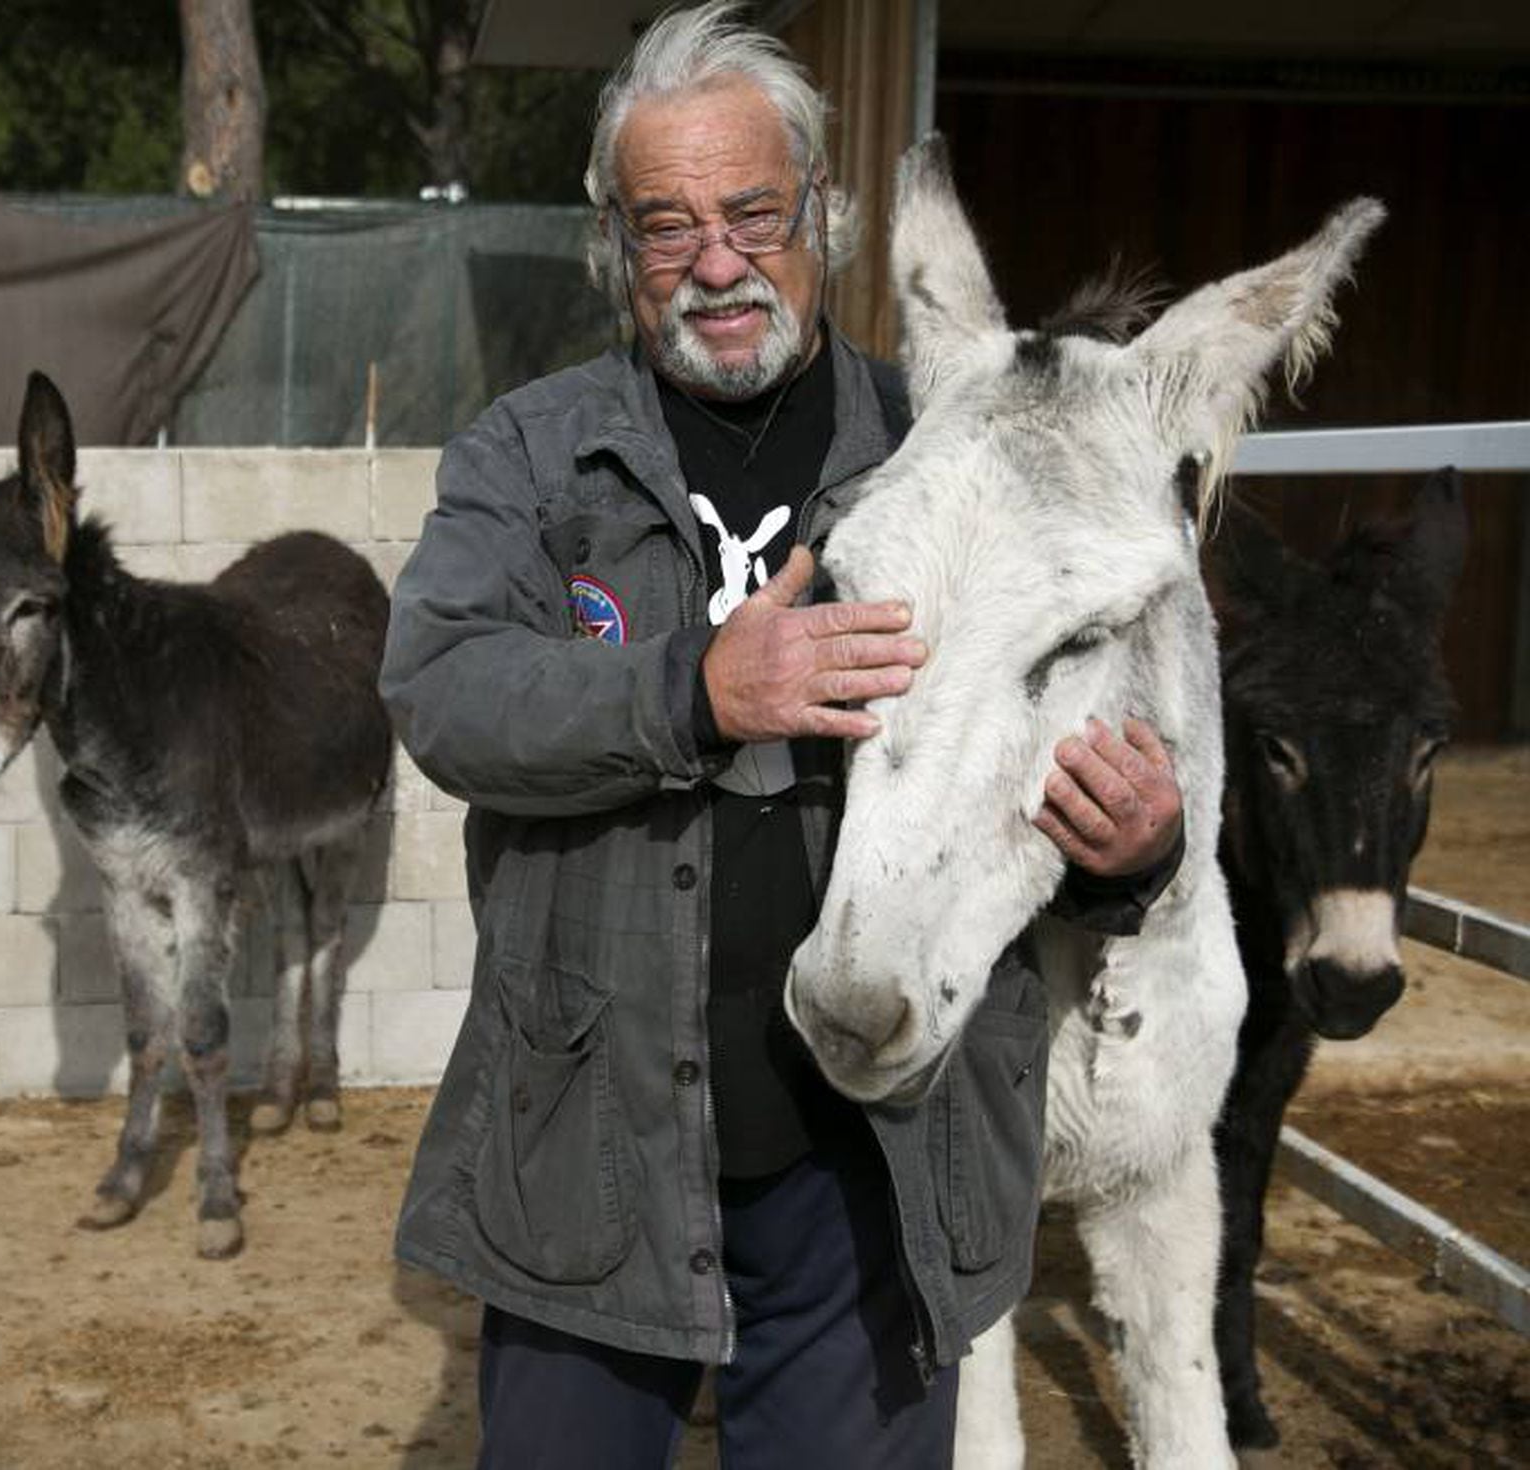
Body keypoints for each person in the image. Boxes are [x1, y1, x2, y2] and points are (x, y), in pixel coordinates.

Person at [380, 5, 1184, 1466]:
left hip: (876, 1159)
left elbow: (1077, 722)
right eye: (665, 225)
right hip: (591, 1148)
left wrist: (1133, 853)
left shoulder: (950, 443)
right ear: (616, 249)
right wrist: (691, 689)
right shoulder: (530, 455)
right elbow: (441, 688)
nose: (718, 261)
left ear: (823, 212)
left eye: (753, 210)